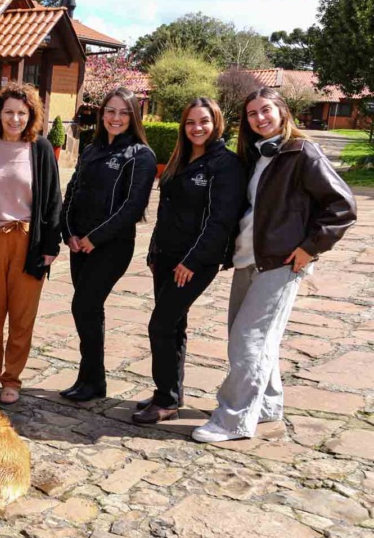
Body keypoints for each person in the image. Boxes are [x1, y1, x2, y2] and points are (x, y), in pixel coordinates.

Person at [193, 88, 356, 442]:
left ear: (282, 112)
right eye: (252, 114)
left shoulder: (302, 152)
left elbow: (342, 207)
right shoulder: (257, 156)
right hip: (248, 259)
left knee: (247, 341)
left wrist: (309, 249)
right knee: (254, 338)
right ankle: (267, 404)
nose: (259, 118)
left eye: (266, 110)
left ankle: (232, 419)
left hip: (279, 264)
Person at [135, 98, 244, 424]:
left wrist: (192, 261)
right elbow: (165, 212)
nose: (197, 128)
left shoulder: (226, 164)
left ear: (217, 123)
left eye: (204, 121)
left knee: (161, 325)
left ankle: (166, 400)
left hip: (194, 262)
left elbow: (219, 221)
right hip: (166, 257)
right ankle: (169, 393)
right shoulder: (181, 158)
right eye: (190, 122)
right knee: (174, 326)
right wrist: (155, 252)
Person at [59, 87, 156, 402]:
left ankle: (93, 379)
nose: (116, 118)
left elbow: (131, 208)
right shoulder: (91, 148)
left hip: (111, 247)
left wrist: (93, 238)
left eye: (123, 112)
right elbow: (72, 191)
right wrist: (69, 232)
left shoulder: (141, 155)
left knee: (83, 306)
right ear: (102, 114)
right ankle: (90, 380)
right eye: (110, 111)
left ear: (133, 117)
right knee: (88, 311)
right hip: (79, 245)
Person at [0, 84, 62, 404]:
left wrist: (51, 246)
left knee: (23, 316)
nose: (15, 118)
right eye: (9, 111)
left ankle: (12, 378)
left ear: (32, 116)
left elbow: (53, 200)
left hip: (29, 240)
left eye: (22, 113)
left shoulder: (39, 148)